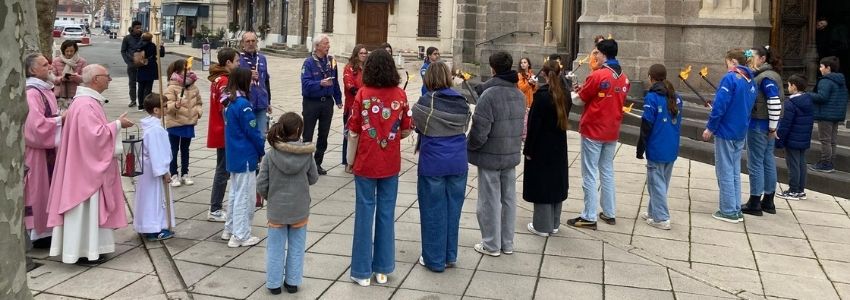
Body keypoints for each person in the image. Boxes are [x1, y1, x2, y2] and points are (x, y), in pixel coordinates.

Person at [46, 64, 135, 264]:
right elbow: (94, 137)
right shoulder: (85, 104)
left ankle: (92, 248)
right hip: (85, 171)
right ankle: (85, 250)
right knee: (86, 209)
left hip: (82, 166)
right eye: (107, 76)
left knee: (87, 211)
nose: (109, 79)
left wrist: (114, 125)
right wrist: (118, 124)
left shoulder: (85, 102)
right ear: (95, 79)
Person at [346, 49, 413, 286]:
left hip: (366, 160)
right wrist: (391, 135)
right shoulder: (400, 94)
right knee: (386, 213)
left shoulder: (363, 93)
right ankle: (383, 268)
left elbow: (353, 130)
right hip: (390, 161)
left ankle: (361, 271)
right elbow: (406, 128)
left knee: (364, 213)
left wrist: (350, 160)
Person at [412, 61, 471, 272]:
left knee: (432, 210)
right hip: (458, 161)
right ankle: (449, 255)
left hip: (433, 163)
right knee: (453, 211)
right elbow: (465, 124)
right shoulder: (461, 101)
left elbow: (417, 122)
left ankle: (434, 259)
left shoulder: (426, 101)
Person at [567, 39, 629, 230]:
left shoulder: (598, 75)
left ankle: (589, 216)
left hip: (594, 128)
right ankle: (609, 212)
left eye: (597, 53)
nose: (595, 57)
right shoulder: (624, 77)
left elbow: (580, 100)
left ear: (603, 54)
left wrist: (570, 93)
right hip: (612, 129)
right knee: (607, 171)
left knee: (589, 173)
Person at [468, 51, 525, 256]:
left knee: (489, 200)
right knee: (508, 199)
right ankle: (507, 243)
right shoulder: (519, 94)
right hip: (510, 152)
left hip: (491, 154)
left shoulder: (489, 94)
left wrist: (471, 146)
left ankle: (491, 243)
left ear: (492, 69)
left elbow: (479, 131)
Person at [258, 112, 319, 295]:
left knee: (275, 248)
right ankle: (292, 282)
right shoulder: (307, 155)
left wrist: (271, 197)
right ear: (299, 131)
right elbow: (313, 178)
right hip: (299, 208)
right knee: (297, 247)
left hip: (277, 210)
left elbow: (261, 184)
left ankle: (274, 283)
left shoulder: (271, 155)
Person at [702, 49, 757, 224]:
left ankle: (728, 210)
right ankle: (735, 208)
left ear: (733, 61)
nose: (726, 66)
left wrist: (710, 127)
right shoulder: (750, 80)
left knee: (724, 170)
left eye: (727, 63)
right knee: (734, 170)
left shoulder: (730, 78)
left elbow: (720, 105)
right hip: (740, 130)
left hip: (726, 130)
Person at [523, 59, 569, 237]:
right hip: (559, 144)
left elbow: (533, 126)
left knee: (542, 183)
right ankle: (554, 222)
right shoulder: (564, 94)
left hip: (542, 145)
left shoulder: (542, 97)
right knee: (556, 181)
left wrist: (528, 150)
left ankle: (542, 225)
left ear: (543, 74)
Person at [221, 67, 265, 247]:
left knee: (235, 193)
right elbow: (252, 131)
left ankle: (230, 228)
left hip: (234, 154)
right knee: (245, 197)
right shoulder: (243, 104)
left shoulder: (229, 102)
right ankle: (240, 235)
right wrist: (261, 149)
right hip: (245, 154)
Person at [636, 64, 683, 230]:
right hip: (671, 146)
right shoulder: (676, 97)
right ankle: (653, 212)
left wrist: (640, 148)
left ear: (651, 77)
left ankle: (662, 218)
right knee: (661, 182)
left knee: (655, 184)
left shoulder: (652, 98)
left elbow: (646, 125)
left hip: (657, 146)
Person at [25, 53, 63, 248]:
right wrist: (61, 120)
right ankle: (39, 233)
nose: (50, 67)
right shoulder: (32, 93)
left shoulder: (44, 89)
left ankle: (49, 229)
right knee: (38, 189)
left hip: (50, 150)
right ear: (33, 70)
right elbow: (35, 127)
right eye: (44, 65)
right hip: (38, 153)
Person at [741, 46, 783, 216]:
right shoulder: (765, 75)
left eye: (752, 56)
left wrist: (773, 127)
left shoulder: (765, 77)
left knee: (756, 162)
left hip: (760, 125)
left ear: (762, 59)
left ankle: (755, 201)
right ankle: (768, 200)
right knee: (767, 160)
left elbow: (774, 102)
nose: (748, 59)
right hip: (766, 125)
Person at [133, 93, 175, 241]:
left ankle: (147, 225)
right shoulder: (156, 129)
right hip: (153, 169)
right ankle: (155, 228)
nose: (167, 108)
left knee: (147, 197)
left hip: (148, 168)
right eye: (164, 106)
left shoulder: (151, 127)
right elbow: (157, 152)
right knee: (155, 198)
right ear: (156, 110)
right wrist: (164, 171)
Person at [300, 34, 342, 175]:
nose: (328, 46)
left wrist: (338, 99)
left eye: (328, 43)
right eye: (325, 43)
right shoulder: (309, 63)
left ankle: (317, 163)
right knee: (308, 134)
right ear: (317, 46)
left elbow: (335, 81)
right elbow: (305, 84)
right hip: (311, 102)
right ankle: (305, 164)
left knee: (324, 134)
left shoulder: (332, 61)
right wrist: (320, 83)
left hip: (327, 102)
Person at [206, 48, 240, 222]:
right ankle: (215, 208)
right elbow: (226, 106)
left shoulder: (218, 78)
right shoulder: (225, 81)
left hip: (220, 129)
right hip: (224, 131)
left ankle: (216, 206)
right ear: (228, 63)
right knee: (223, 170)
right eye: (237, 61)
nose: (239, 64)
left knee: (223, 169)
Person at [163, 59, 203, 187]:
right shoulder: (171, 87)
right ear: (178, 71)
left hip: (188, 123)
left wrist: (198, 112)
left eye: (190, 68)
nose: (189, 71)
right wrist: (176, 104)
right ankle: (173, 174)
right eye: (186, 69)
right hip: (175, 123)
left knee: (185, 149)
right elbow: (166, 106)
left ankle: (185, 173)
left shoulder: (193, 86)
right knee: (173, 149)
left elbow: (199, 102)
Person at [776, 75, 814, 201]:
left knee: (793, 165)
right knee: (801, 163)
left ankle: (793, 190)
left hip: (792, 138)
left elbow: (785, 125)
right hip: (803, 138)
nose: (788, 87)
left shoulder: (790, 103)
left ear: (794, 86)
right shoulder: (808, 100)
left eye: (789, 85)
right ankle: (800, 190)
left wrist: (779, 140)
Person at [808, 56, 848, 173]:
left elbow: (822, 97)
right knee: (832, 140)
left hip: (825, 115)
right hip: (836, 115)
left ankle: (825, 163)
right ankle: (830, 162)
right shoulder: (841, 81)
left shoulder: (825, 81)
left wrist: (808, 94)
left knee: (825, 140)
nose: (820, 69)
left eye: (821, 66)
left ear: (828, 68)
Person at [239, 31, 272, 136]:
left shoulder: (262, 58)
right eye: (247, 41)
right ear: (242, 43)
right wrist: (247, 75)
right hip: (246, 103)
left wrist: (268, 102)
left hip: (261, 103)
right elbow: (234, 81)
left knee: (261, 136)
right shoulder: (238, 59)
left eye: (253, 41)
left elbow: (266, 81)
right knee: (248, 135)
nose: (251, 43)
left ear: (257, 42)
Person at [342, 44, 367, 170]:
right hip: (352, 106)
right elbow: (350, 86)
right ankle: (347, 162)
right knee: (349, 135)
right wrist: (362, 95)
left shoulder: (367, 68)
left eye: (365, 53)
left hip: (365, 107)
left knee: (362, 136)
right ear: (356, 54)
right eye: (361, 53)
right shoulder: (349, 68)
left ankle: (358, 162)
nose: (363, 55)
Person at [52, 40, 87, 109]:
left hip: (76, 94)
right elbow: (52, 78)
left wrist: (76, 77)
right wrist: (61, 78)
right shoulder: (56, 61)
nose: (69, 53)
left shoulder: (82, 61)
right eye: (67, 51)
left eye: (71, 51)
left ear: (75, 51)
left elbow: (85, 78)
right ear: (63, 51)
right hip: (59, 95)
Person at [135, 32, 162, 111]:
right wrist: (161, 46)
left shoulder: (138, 45)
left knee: (140, 87)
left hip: (141, 66)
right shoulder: (152, 46)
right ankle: (146, 105)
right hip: (150, 66)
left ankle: (140, 105)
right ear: (150, 39)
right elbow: (161, 54)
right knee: (148, 87)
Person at [121, 20, 143, 108]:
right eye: (137, 28)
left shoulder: (143, 37)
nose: (139, 29)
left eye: (140, 28)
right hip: (132, 64)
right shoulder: (127, 38)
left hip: (142, 64)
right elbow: (123, 51)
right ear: (133, 28)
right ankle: (133, 100)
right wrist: (128, 61)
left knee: (142, 83)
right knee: (132, 83)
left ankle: (142, 101)